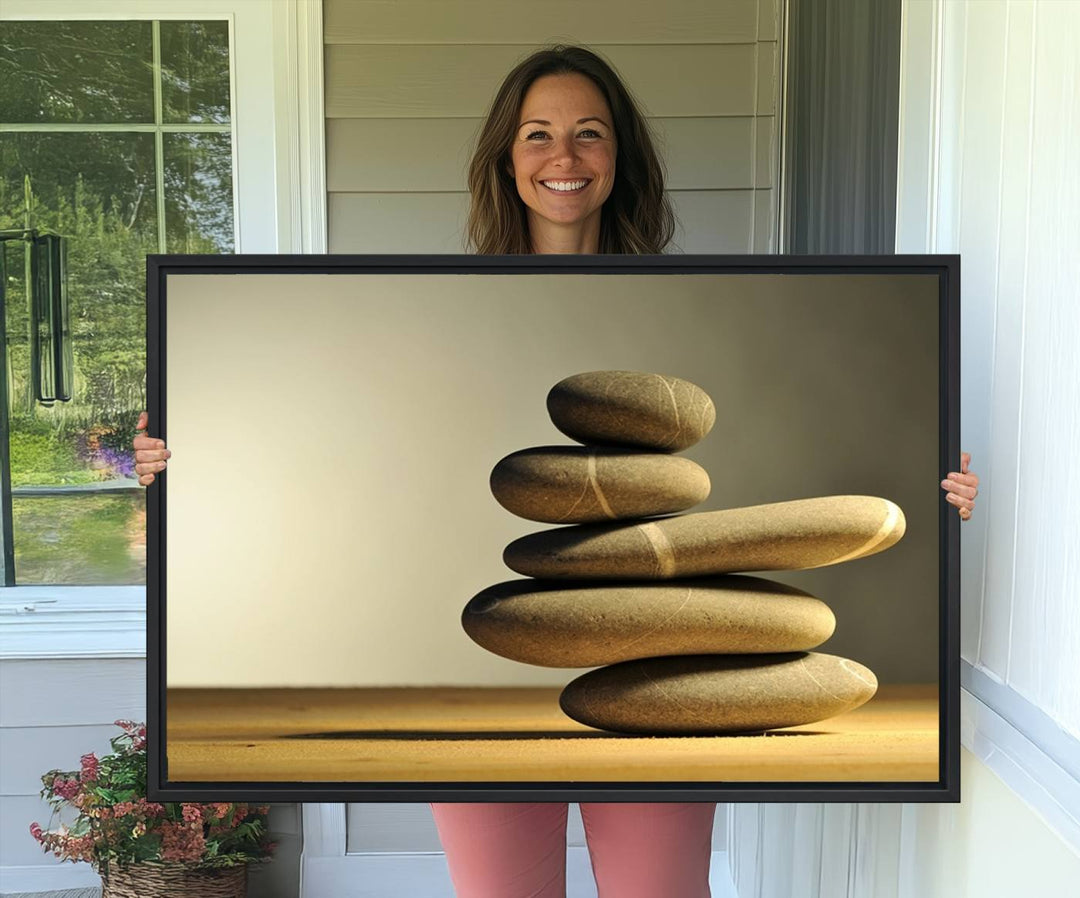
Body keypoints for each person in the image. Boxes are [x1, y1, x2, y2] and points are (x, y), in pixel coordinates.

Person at [133, 45, 979, 898]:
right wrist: (179, 465)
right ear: (507, 156)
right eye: (537, 134)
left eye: (589, 134)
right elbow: (312, 445)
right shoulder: (433, 308)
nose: (563, 157)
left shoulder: (691, 303)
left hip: (653, 681)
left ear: (620, 158)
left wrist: (940, 494)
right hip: (466, 696)